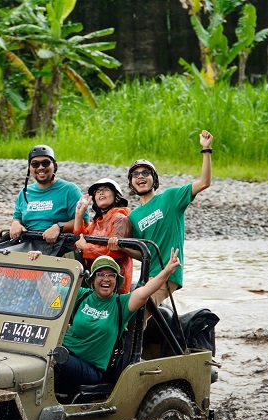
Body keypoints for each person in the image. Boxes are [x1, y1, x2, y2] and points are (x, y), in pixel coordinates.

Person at [52, 249, 182, 397]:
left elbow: (146, 291)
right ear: (93, 279)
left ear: (116, 281)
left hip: (90, 368)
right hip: (64, 352)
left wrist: (168, 270)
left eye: (111, 275)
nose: (106, 279)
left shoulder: (121, 304)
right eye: (100, 274)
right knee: (39, 355)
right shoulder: (82, 295)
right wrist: (33, 260)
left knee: (52, 360)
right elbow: (49, 291)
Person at [127, 130, 213, 315]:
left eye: (145, 173)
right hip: (148, 276)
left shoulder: (171, 197)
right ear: (131, 183)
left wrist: (206, 150)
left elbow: (205, 182)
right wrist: (119, 247)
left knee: (138, 312)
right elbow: (141, 253)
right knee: (129, 312)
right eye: (135, 174)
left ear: (154, 179)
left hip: (169, 272)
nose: (140, 176)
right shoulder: (133, 216)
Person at [8, 144, 88, 255]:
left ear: (54, 165)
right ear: (29, 168)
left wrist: (59, 227)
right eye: (35, 164)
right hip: (27, 242)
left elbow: (84, 223)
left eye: (45, 163)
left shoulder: (70, 190)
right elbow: (17, 217)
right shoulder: (25, 192)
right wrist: (15, 224)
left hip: (59, 245)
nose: (40, 167)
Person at [73, 178, 134, 293]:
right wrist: (79, 215)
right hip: (96, 278)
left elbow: (115, 251)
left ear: (116, 196)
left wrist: (85, 247)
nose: (101, 192)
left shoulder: (120, 219)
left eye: (105, 189)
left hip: (116, 281)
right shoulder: (96, 223)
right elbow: (78, 240)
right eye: (97, 191)